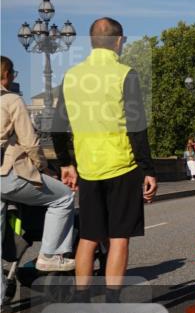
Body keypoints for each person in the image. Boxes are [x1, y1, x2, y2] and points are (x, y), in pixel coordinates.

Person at [52, 18, 158, 296]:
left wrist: (65, 162)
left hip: (87, 167)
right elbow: (136, 126)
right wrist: (147, 169)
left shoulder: (72, 76)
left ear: (91, 42)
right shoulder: (125, 73)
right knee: (119, 237)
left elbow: (58, 126)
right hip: (122, 165)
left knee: (88, 237)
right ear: (119, 41)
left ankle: (82, 299)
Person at [0, 56, 76, 272]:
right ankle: (49, 255)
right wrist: (44, 168)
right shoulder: (11, 100)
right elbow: (31, 143)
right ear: (6, 75)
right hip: (7, 175)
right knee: (63, 197)